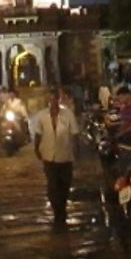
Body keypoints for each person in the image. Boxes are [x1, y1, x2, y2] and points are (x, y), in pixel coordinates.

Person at [30, 89, 80, 230]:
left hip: (65, 156)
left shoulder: (68, 115)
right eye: (50, 100)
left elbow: (75, 134)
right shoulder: (42, 116)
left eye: (54, 99)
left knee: (64, 185)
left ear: (59, 100)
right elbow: (38, 134)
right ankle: (57, 212)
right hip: (48, 156)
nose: (52, 103)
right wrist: (36, 148)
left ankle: (62, 208)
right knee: (52, 186)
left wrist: (76, 153)